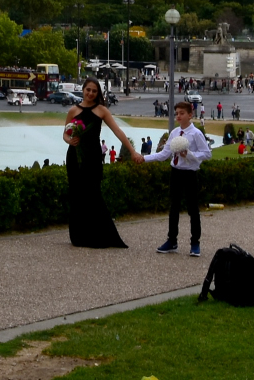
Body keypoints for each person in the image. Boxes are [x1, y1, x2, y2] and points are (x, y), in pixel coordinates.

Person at [65, 78, 136, 248]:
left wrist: (132, 151)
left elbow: (117, 131)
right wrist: (69, 140)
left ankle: (100, 234)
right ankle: (78, 236)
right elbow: (65, 133)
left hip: (93, 157)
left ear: (98, 93)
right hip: (75, 156)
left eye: (94, 91)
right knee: (77, 194)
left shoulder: (102, 110)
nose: (90, 93)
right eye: (88, 90)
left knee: (93, 194)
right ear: (83, 90)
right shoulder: (73, 110)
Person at [143, 101, 212, 256]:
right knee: (173, 207)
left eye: (182, 113)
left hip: (189, 173)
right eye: (177, 113)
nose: (179, 116)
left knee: (192, 209)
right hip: (175, 172)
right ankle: (172, 240)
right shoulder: (174, 133)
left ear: (190, 115)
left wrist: (190, 155)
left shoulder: (196, 134)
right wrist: (144, 158)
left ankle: (195, 243)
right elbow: (164, 154)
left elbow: (207, 153)